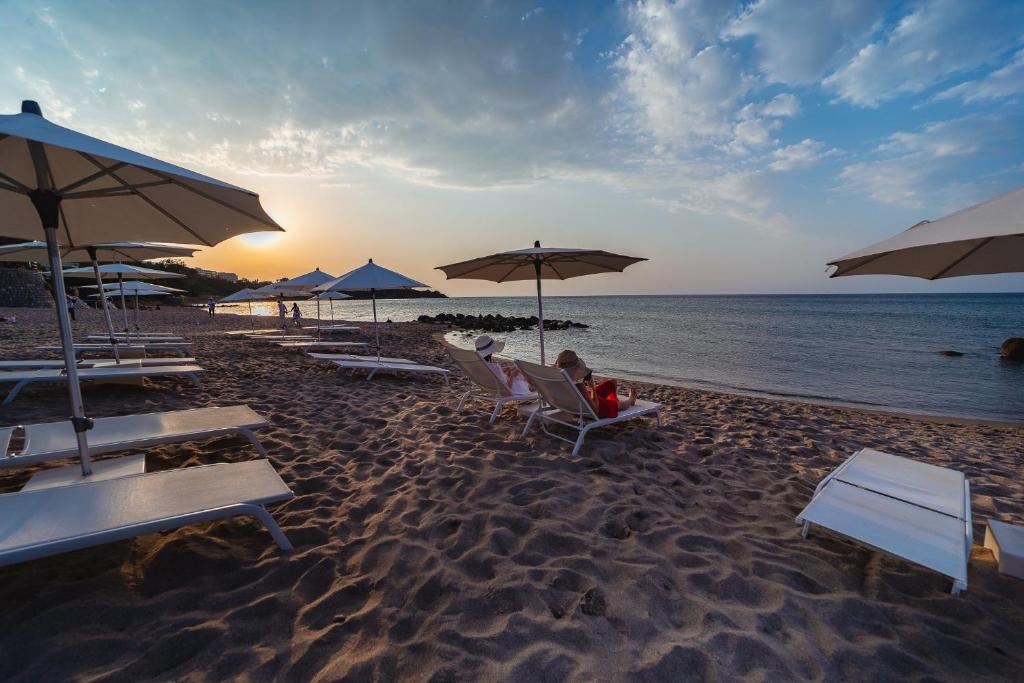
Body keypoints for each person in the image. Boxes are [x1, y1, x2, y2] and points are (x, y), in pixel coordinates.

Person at [554, 349, 636, 417]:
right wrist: (593, 389)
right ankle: (631, 400)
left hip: (576, 405)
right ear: (576, 368)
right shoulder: (579, 386)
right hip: (596, 408)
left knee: (612, 382)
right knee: (618, 405)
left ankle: (615, 400)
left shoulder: (555, 382)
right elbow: (595, 410)